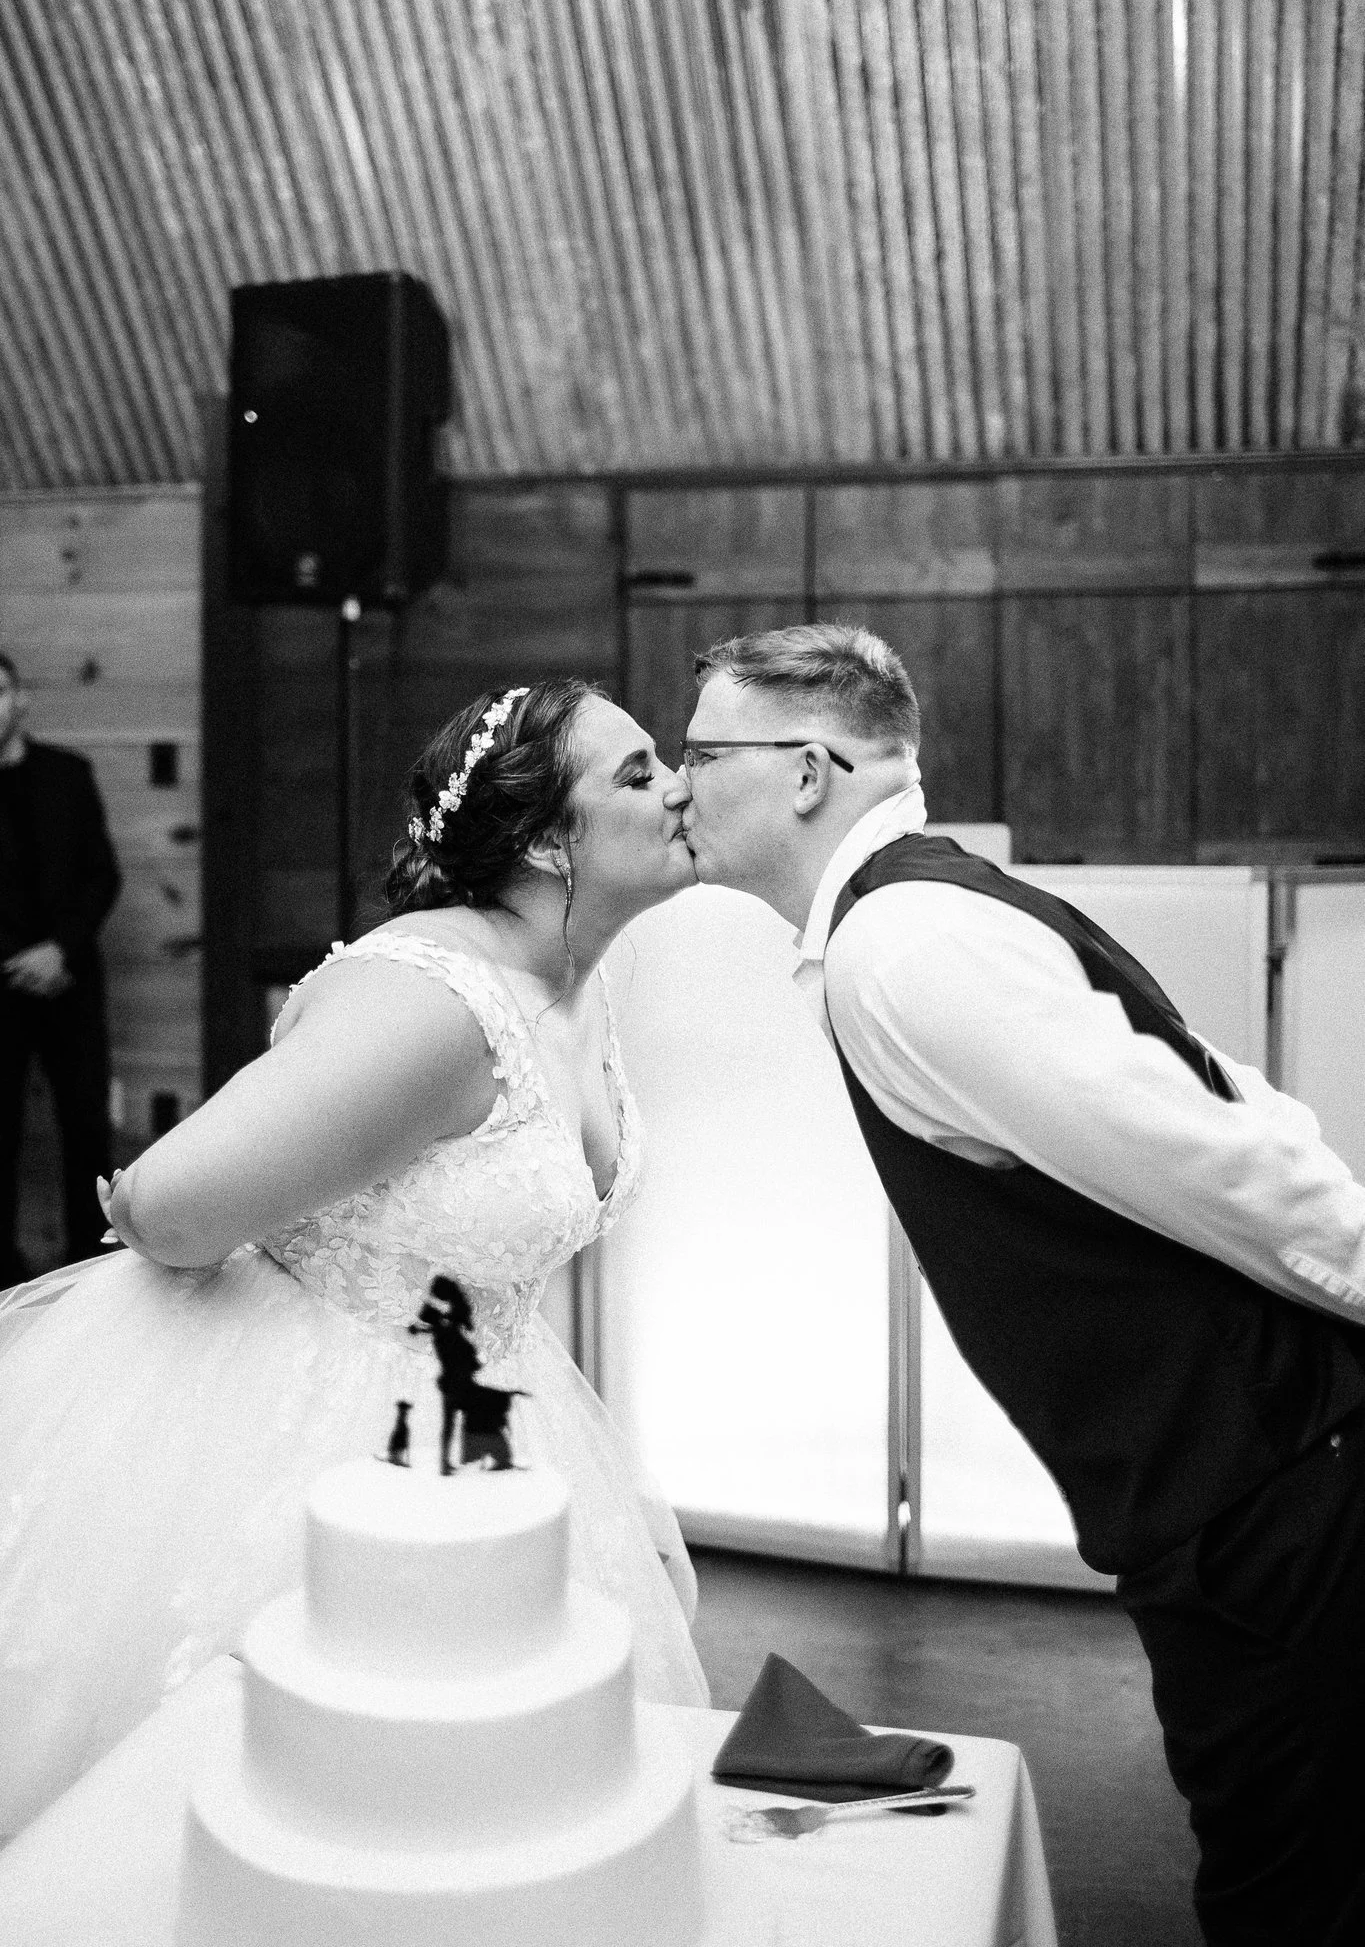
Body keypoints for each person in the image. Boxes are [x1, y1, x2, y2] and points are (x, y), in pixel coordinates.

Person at [664, 622, 1365, 1947]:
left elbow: (1221, 1158)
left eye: (701, 753)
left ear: (807, 771)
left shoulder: (902, 944)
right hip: (1253, 1476)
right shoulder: (923, 914)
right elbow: (1228, 1096)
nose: (677, 783)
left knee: (1291, 1891)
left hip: (1270, 1482)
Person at [0, 679, 707, 1842]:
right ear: (544, 839)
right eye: (637, 772)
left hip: (497, 1413)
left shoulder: (577, 978)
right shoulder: (433, 999)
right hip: (326, 1431)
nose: (678, 787)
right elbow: (168, 1204)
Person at [0, 651, 121, 1285]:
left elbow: (102, 876)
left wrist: (60, 951)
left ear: (20, 699)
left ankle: (89, 1272)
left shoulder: (68, 774)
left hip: (70, 981)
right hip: (0, 988)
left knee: (86, 1127)